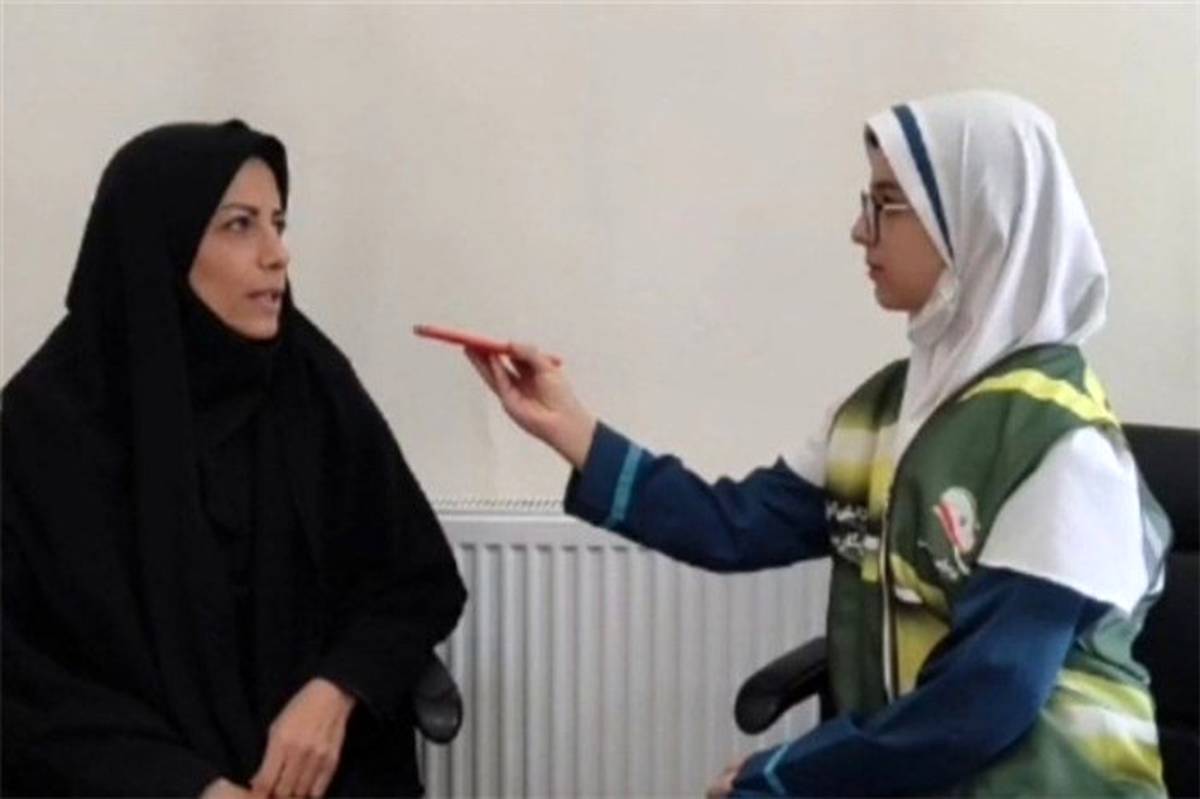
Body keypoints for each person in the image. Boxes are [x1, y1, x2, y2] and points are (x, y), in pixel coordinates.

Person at [465, 91, 1171, 796]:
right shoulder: (880, 414)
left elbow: (987, 698)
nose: (860, 231)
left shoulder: (1064, 450)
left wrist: (787, 775)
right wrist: (573, 430)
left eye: (887, 203)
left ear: (977, 218)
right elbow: (734, 525)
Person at [2, 121, 467, 798]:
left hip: (315, 781)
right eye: (239, 225)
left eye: (278, 223)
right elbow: (23, 680)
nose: (277, 255)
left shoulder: (309, 383)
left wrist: (335, 689)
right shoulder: (45, 427)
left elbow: (414, 579)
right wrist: (186, 785)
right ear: (160, 244)